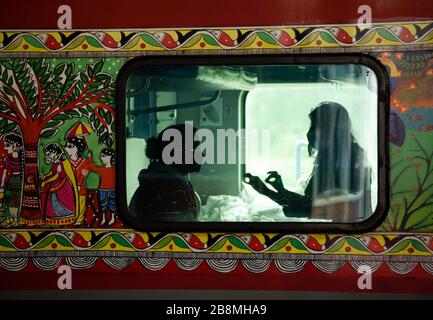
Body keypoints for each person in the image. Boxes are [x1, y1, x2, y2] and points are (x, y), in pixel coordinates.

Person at [245, 102, 372, 219]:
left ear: (330, 130)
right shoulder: (331, 159)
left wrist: (277, 192)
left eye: (314, 127)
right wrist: (268, 190)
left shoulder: (354, 159)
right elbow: (309, 205)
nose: (308, 133)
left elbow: (313, 208)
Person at [129, 123, 202, 222]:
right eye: (195, 148)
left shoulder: (169, 180)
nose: (202, 153)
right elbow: (182, 233)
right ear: (175, 152)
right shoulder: (167, 186)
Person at [40, 143, 78, 225]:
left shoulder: (60, 164)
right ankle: (52, 218)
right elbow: (51, 172)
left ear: (57, 154)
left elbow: (56, 175)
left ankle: (64, 217)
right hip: (55, 185)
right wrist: (45, 177)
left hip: (62, 187)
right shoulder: (55, 164)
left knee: (60, 201)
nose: (47, 156)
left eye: (49, 154)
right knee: (52, 202)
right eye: (46, 154)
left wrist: (46, 181)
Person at [64, 136, 94, 225]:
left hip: (81, 188)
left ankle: (79, 219)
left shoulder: (84, 161)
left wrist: (79, 184)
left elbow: (84, 173)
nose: (66, 148)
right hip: (69, 187)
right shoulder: (66, 162)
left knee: (81, 202)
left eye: (70, 146)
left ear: (78, 148)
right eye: (66, 145)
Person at [0, 133, 24, 226]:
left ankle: (16, 218)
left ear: (16, 145)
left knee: (17, 200)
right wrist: (2, 182)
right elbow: (5, 172)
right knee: (10, 200)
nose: (5, 148)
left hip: (20, 181)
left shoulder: (23, 158)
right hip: (11, 180)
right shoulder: (7, 159)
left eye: (7, 145)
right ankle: (11, 218)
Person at [89, 148, 116, 226]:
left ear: (110, 156)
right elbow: (93, 168)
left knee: (112, 204)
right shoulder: (102, 169)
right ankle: (104, 218)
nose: (101, 158)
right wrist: (90, 158)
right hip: (103, 189)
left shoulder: (114, 169)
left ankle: (112, 218)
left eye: (104, 156)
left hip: (112, 189)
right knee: (103, 205)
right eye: (101, 156)